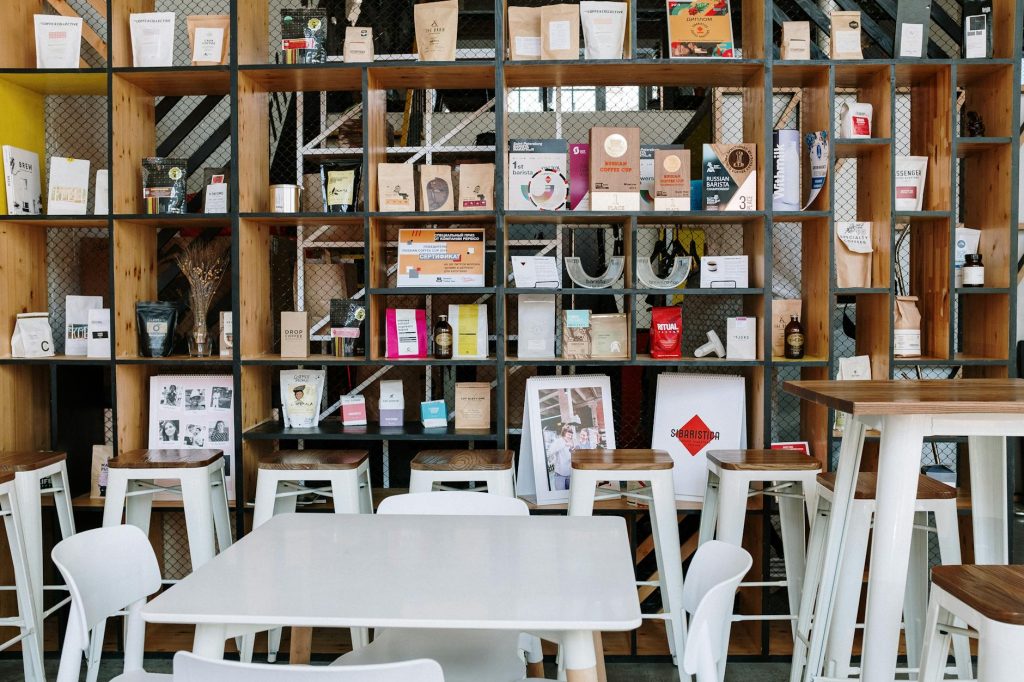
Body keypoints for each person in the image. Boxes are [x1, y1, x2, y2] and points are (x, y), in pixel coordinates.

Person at [546, 424, 575, 491]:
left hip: (569, 474)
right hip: (560, 475)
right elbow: (549, 452)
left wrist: (572, 448)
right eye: (568, 434)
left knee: (570, 494)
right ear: (564, 433)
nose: (570, 437)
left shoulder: (571, 442)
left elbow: (572, 456)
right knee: (560, 494)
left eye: (571, 435)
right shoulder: (558, 442)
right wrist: (564, 445)